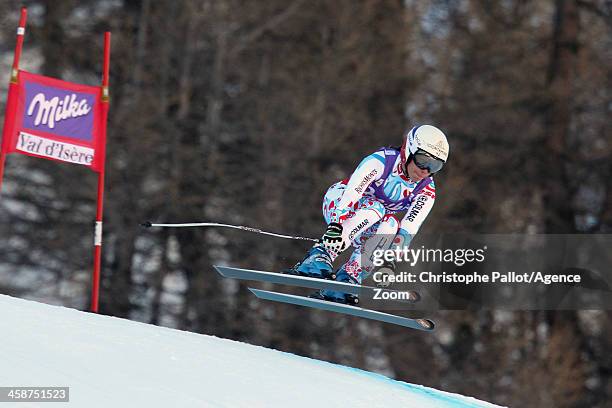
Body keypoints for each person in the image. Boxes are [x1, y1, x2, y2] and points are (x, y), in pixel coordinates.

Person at [286, 124, 449, 304]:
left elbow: (408, 230)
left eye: (435, 165)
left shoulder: (426, 191)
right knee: (376, 208)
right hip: (339, 203)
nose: (425, 170)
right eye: (422, 160)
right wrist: (334, 228)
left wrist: (389, 262)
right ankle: (320, 255)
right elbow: (352, 194)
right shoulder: (382, 162)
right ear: (409, 150)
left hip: (367, 224)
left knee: (392, 225)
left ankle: (349, 277)